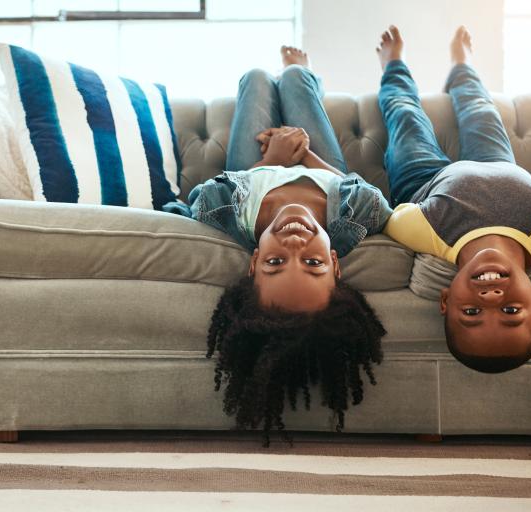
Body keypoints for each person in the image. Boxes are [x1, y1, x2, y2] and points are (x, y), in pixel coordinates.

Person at [164, 47, 389, 444]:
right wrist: (304, 155)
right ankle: (300, 72)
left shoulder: (222, 211)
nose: (296, 242)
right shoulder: (356, 218)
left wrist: (274, 160)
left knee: (252, 77)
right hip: (316, 161)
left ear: (253, 262)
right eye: (313, 263)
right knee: (296, 81)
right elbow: (364, 189)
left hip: (259, 165)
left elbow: (194, 198)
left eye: (275, 262)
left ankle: (285, 81)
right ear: (335, 263)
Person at [377, 25, 531, 373]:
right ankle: (460, 64)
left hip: (425, 179)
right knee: (480, 108)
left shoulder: (431, 234)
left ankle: (393, 64)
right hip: (497, 163)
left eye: (471, 313)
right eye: (511, 312)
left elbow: (392, 216)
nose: (492, 299)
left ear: (446, 299)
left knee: (405, 114)